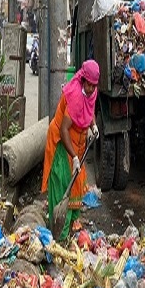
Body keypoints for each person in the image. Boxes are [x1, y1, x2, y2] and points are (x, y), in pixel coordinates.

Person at [42, 60, 99, 239]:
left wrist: (93, 126)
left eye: (94, 85)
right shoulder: (75, 96)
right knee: (63, 183)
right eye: (88, 85)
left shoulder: (93, 91)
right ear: (83, 80)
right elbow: (63, 129)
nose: (91, 89)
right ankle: (60, 235)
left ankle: (69, 227)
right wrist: (74, 157)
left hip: (77, 141)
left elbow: (90, 109)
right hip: (62, 141)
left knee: (76, 184)